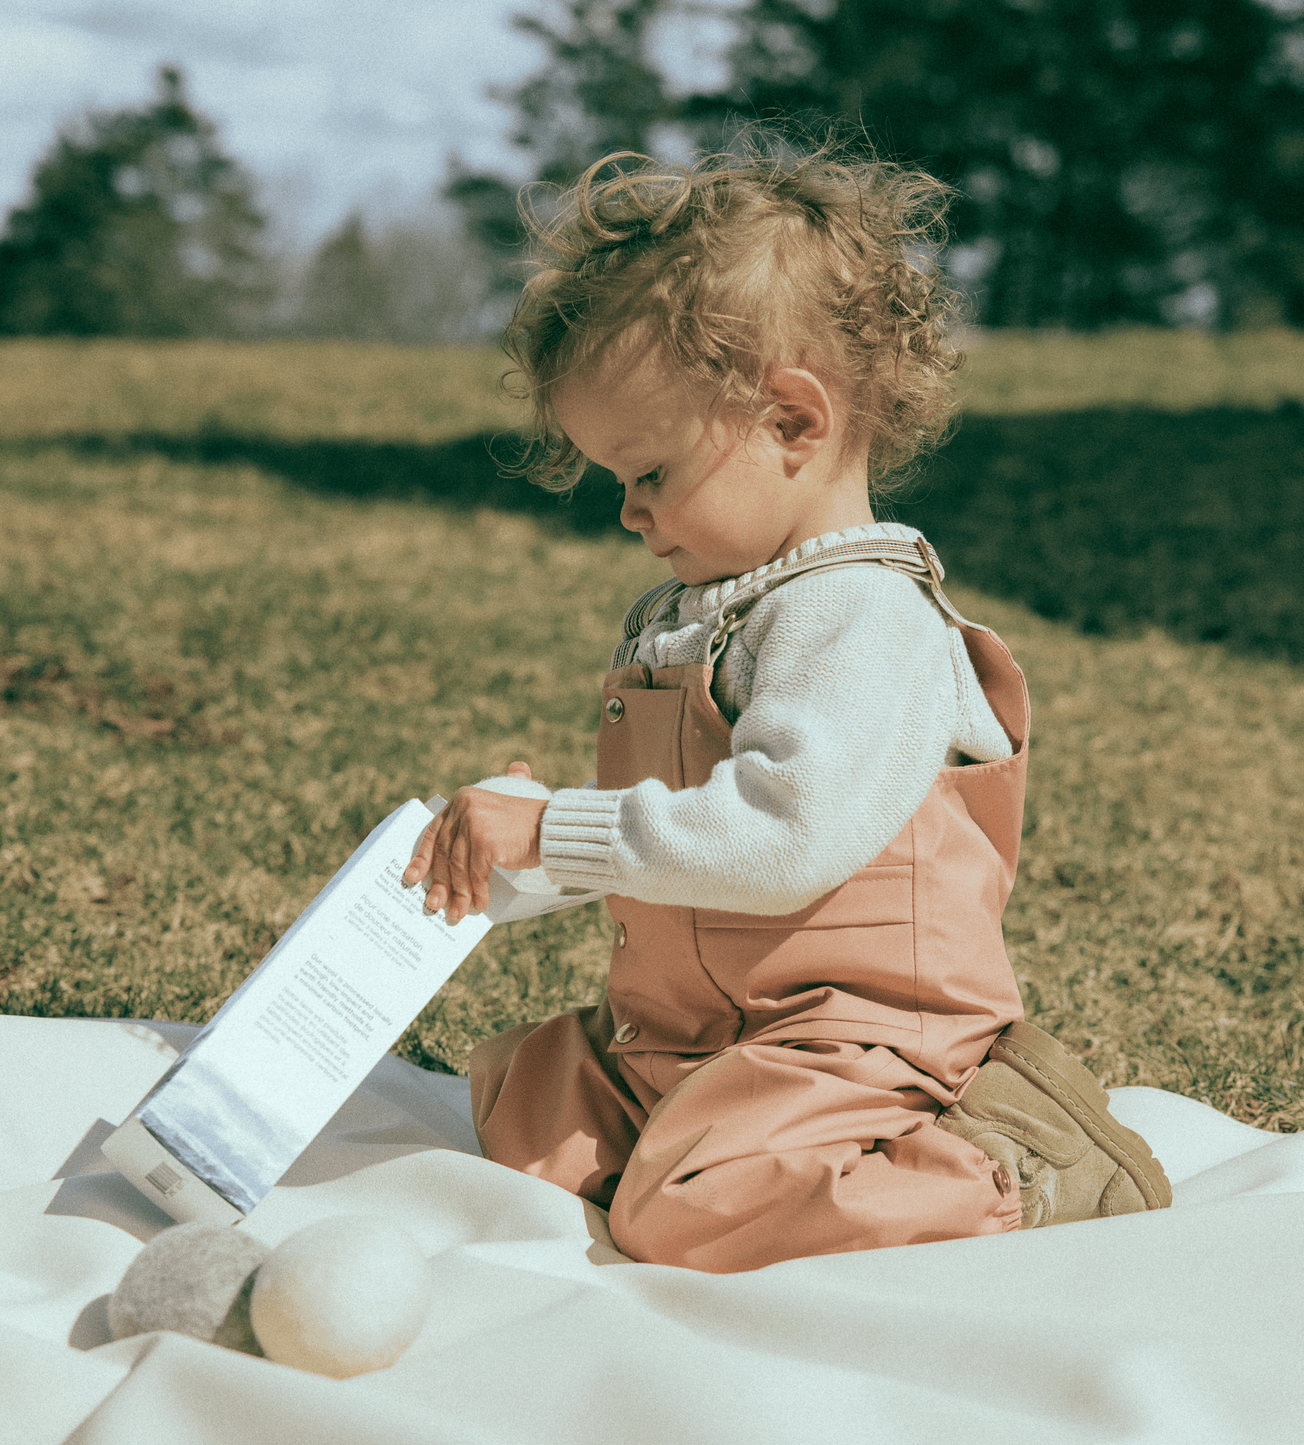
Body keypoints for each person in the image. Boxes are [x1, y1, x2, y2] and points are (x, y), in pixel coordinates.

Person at [402, 141, 1170, 1273]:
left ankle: (1017, 1159)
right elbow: (681, 834)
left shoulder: (858, 618)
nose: (628, 510)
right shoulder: (699, 610)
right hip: (695, 1025)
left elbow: (779, 840)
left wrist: (558, 822)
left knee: (686, 1211)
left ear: (792, 424)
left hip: (850, 1033)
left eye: (649, 471)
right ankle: (713, 1142)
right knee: (518, 1097)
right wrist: (521, 847)